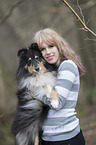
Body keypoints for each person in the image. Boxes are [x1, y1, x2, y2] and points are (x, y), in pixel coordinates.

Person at [32, 28, 85, 145]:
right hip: (47, 138)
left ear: (59, 46)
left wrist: (34, 93)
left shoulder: (67, 66)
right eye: (43, 49)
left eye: (51, 46)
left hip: (66, 139)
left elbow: (58, 102)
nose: (48, 52)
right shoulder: (47, 72)